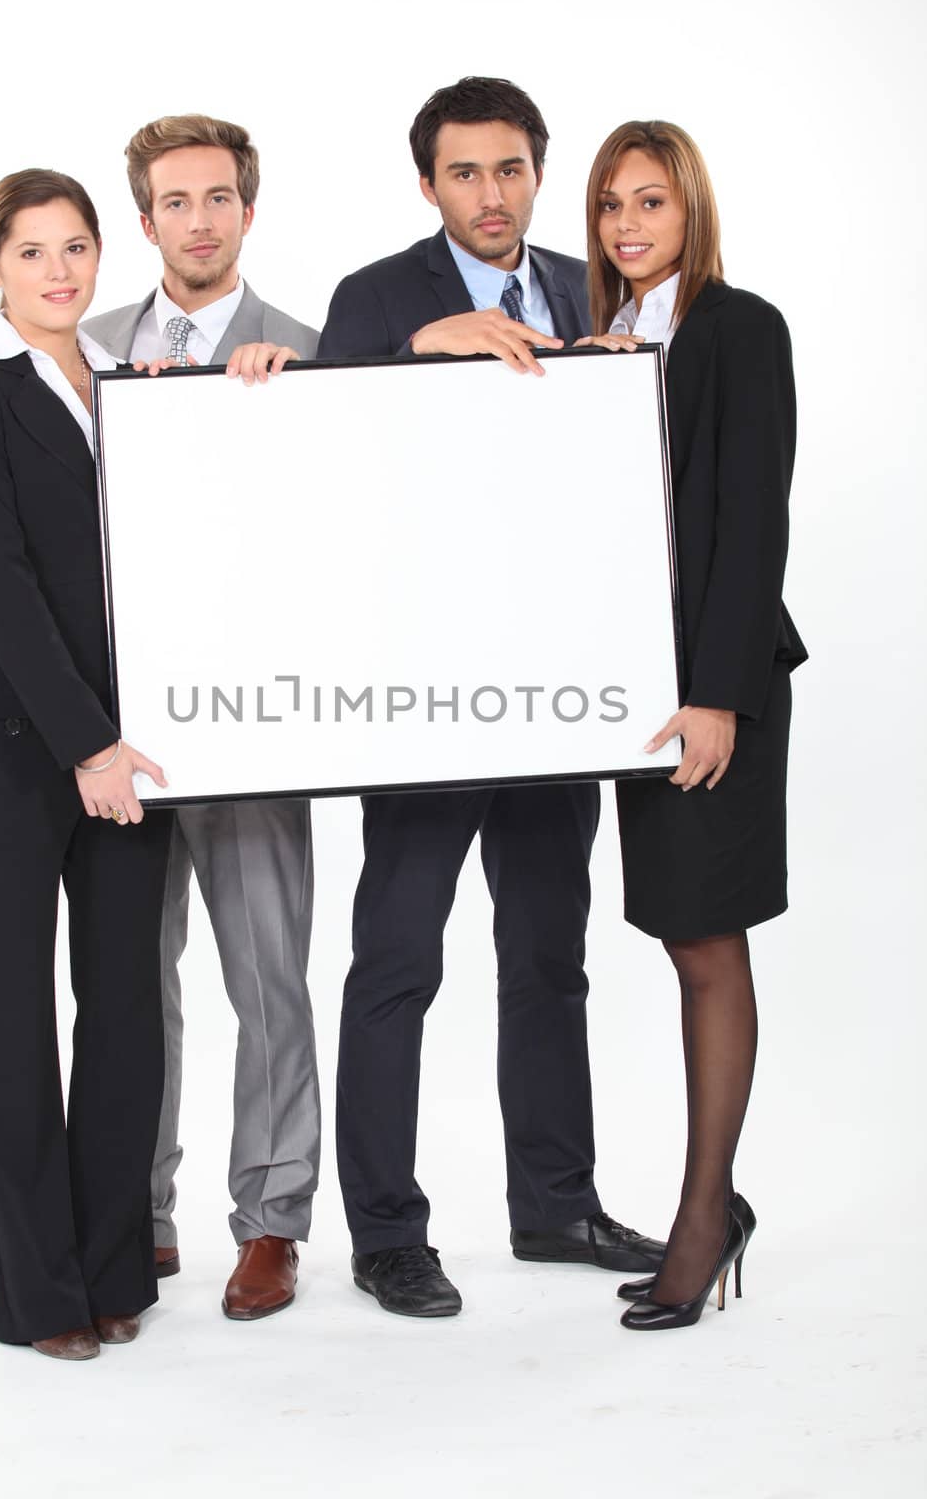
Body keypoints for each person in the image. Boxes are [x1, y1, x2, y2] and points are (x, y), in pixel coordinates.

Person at [318, 76, 665, 1319]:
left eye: (510, 168)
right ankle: (385, 1233)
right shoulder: (375, 299)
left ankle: (553, 1203)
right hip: (423, 690)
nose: (491, 193)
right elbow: (318, 458)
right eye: (463, 173)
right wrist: (420, 348)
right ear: (427, 186)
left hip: (555, 687)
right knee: (397, 961)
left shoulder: (588, 287)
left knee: (546, 957)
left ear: (536, 169)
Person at [0, 170, 173, 1360]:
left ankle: (115, 1266)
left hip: (141, 748)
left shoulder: (132, 387)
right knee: (14, 1021)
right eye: (32, 252)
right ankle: (39, 1295)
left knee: (127, 1013)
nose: (60, 270)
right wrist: (85, 744)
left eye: (76, 246)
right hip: (25, 751)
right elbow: (3, 584)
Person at [85, 114, 320, 1322]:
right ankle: (143, 1205)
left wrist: (277, 418)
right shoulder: (79, 350)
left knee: (267, 973)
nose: (198, 220)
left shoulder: (314, 351)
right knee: (134, 978)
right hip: (121, 727)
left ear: (247, 210)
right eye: (175, 202)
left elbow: (342, 543)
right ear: (144, 221)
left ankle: (272, 1219)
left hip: (257, 718)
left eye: (219, 197)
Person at [574, 120, 808, 1331]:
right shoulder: (609, 339)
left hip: (710, 695)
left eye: (649, 203)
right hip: (637, 693)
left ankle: (704, 1214)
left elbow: (748, 520)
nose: (625, 224)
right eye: (611, 203)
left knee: (707, 946)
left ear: (690, 210)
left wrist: (715, 692)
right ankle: (710, 1204)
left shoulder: (734, 326)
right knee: (675, 935)